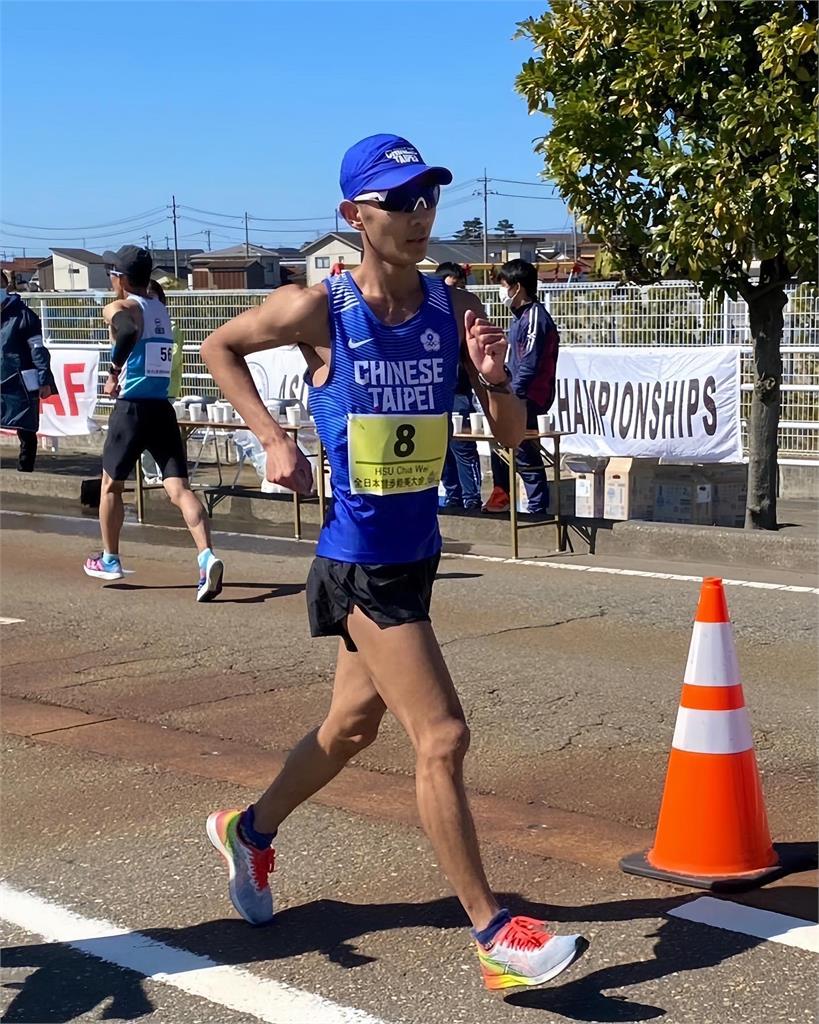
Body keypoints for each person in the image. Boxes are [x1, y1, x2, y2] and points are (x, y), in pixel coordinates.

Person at [201, 134, 586, 991]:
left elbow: (514, 434)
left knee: (348, 729)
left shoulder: (451, 306)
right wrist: (271, 440)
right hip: (359, 562)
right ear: (355, 216)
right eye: (398, 201)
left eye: (427, 198)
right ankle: (495, 938)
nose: (419, 216)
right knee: (441, 736)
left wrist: (493, 379)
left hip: (416, 555)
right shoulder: (320, 309)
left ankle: (250, 831)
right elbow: (217, 348)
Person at [82, 245, 224, 602]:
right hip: (162, 408)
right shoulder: (161, 308)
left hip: (131, 409)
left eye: (112, 274)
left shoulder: (121, 306)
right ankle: (207, 555)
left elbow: (127, 331)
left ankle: (110, 558)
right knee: (178, 489)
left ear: (122, 278)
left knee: (111, 486)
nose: (110, 281)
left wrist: (113, 372)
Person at [482, 259, 559, 516]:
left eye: (503, 285)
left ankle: (538, 507)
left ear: (516, 287)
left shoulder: (535, 317)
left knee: (524, 451)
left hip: (530, 397)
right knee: (503, 446)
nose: (501, 291)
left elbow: (530, 362)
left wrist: (512, 395)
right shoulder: (519, 319)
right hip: (516, 394)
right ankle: (504, 495)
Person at [435, 262, 482, 512]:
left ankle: (472, 498)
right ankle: (452, 494)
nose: (458, 293)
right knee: (439, 448)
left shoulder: (468, 316)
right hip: (435, 394)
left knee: (462, 445)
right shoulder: (428, 317)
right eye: (453, 287)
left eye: (461, 287)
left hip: (460, 392)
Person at [0, 269, 56, 472]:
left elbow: (38, 349)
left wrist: (44, 378)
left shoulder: (25, 316)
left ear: (6, 286)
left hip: (19, 380)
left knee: (26, 428)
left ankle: (26, 469)